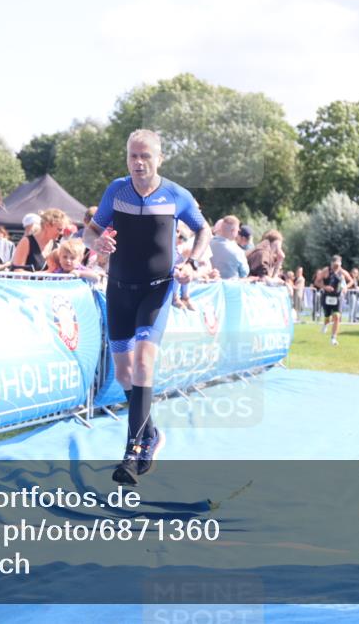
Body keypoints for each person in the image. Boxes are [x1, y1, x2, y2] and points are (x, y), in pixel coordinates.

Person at [83, 129, 210, 485]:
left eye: (145, 157)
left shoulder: (176, 195)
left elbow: (204, 231)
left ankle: (133, 451)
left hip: (157, 289)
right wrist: (98, 244)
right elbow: (90, 231)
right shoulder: (117, 190)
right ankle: (150, 432)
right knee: (123, 375)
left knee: (143, 363)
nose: (138, 163)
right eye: (132, 156)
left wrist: (192, 263)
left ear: (159, 158)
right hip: (120, 290)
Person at [320, 255, 353, 346]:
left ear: (340, 264)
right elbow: (317, 281)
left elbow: (351, 281)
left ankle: (333, 338)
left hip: (338, 297)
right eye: (335, 265)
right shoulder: (326, 271)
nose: (336, 267)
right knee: (328, 318)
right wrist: (325, 287)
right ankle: (325, 324)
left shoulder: (342, 272)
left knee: (337, 317)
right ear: (331, 263)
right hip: (326, 297)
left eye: (338, 265)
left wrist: (346, 287)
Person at [209, 215, 249, 279]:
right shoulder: (238, 251)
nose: (238, 233)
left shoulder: (207, 245)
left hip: (209, 286)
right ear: (233, 231)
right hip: (230, 287)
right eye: (238, 231)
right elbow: (244, 273)